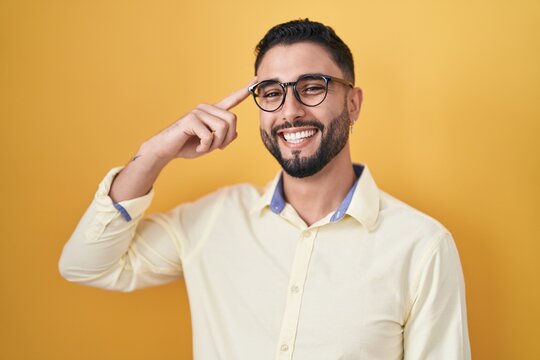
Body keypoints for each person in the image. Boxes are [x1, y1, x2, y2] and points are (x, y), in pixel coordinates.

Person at [59, 19, 471, 360]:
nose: (290, 112)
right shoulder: (211, 222)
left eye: (312, 87)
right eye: (272, 93)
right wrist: (154, 154)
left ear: (353, 104)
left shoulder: (422, 246)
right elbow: (85, 265)